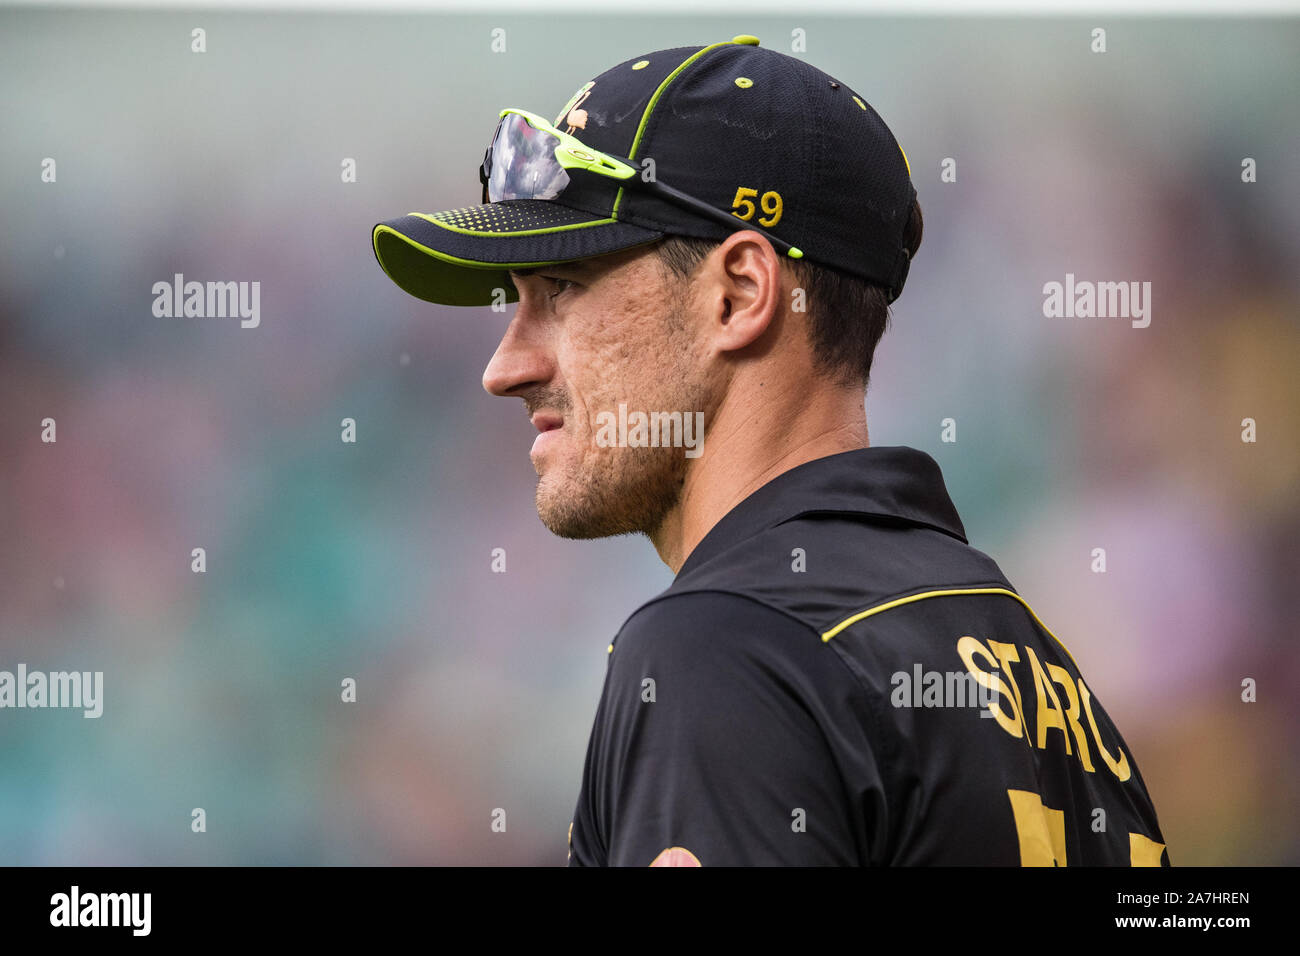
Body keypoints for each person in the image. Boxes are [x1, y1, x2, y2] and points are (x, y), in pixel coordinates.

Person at [371, 35, 1169, 866]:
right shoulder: (1046, 672)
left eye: (562, 289)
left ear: (740, 294)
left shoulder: (724, 645)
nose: (506, 368)